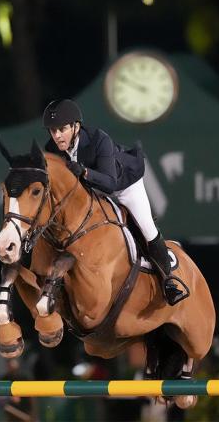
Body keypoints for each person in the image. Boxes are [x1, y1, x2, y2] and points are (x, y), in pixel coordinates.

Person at [41, 99, 188, 305]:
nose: (57, 136)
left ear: (76, 126)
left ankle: (169, 282)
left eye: (62, 129)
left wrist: (84, 171)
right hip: (92, 192)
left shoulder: (98, 139)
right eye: (52, 131)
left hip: (123, 186)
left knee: (146, 228)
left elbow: (110, 184)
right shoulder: (52, 149)